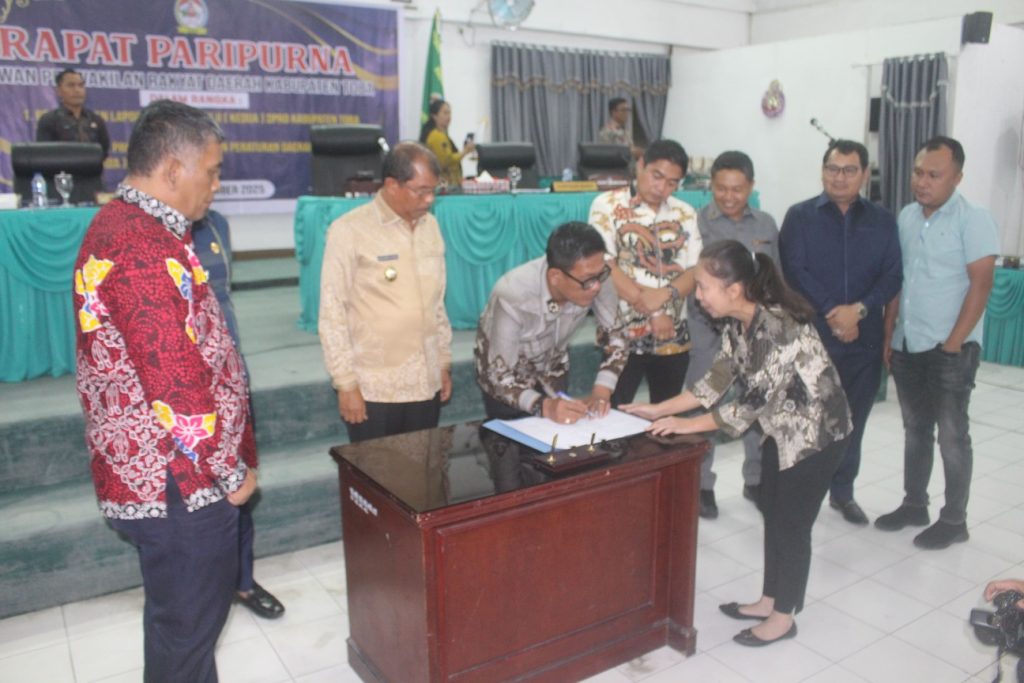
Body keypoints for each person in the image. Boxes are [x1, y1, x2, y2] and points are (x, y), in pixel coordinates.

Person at [73, 99, 257, 682]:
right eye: (213, 171)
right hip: (180, 481)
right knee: (188, 636)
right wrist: (230, 471)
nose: (216, 185)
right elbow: (175, 384)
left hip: (173, 476)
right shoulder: (139, 247)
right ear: (174, 170)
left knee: (180, 630)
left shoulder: (138, 228)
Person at [623, 240, 851, 647]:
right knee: (773, 513)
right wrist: (658, 409)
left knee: (792, 526)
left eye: (704, 287)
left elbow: (746, 408)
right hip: (780, 431)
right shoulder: (737, 322)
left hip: (817, 437)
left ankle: (783, 618)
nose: (698, 295)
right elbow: (714, 382)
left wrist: (683, 426)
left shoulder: (778, 327)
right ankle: (769, 600)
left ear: (733, 289)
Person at [876, 136, 1000, 549]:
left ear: (957, 177)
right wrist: (889, 333)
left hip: (951, 349)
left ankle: (954, 520)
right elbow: (899, 280)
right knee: (915, 429)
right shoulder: (906, 217)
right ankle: (915, 504)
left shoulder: (974, 219)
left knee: (952, 435)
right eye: (918, 173)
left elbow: (981, 285)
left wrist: (953, 344)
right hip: (908, 343)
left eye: (934, 175)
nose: (922, 182)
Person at [779, 139, 902, 527]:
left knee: (853, 421)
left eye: (849, 170)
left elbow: (893, 275)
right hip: (814, 337)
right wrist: (835, 312)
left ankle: (843, 492)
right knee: (809, 418)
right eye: (832, 168)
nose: (840, 177)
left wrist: (858, 311)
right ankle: (804, 493)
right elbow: (795, 271)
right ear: (822, 171)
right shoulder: (800, 216)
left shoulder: (883, 221)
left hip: (864, 340)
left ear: (864, 175)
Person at [319, 141, 453, 443]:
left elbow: (437, 303)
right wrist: (345, 383)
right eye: (421, 191)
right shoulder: (349, 230)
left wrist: (443, 362)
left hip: (425, 383)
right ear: (392, 185)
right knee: (375, 470)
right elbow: (332, 311)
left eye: (434, 190)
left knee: (423, 467)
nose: (430, 199)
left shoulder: (431, 227)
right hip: (374, 390)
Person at [192, 211, 285, 620]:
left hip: (229, 373)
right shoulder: (149, 231)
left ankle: (242, 580)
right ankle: (199, 586)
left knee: (239, 481)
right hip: (179, 386)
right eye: (210, 178)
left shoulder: (216, 223)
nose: (215, 185)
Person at [688, 151, 780, 517]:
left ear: (751, 186)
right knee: (704, 402)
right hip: (707, 328)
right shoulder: (697, 222)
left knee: (755, 403)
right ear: (710, 185)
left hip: (752, 330)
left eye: (737, 189)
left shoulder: (766, 224)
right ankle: (701, 485)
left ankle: (754, 480)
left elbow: (774, 276)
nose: (729, 196)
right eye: (721, 188)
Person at [475, 221, 629, 423]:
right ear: (555, 276)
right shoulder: (512, 295)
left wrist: (602, 391)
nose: (596, 287)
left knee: (558, 436)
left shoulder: (595, 276)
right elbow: (499, 376)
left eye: (601, 274)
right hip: (508, 382)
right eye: (588, 280)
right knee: (512, 437)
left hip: (553, 372)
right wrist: (544, 406)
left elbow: (617, 337)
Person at [587, 139, 700, 414]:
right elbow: (605, 266)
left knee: (666, 415)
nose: (661, 188)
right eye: (656, 176)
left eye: (672, 183)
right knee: (615, 414)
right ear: (640, 165)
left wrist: (665, 297)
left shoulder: (685, 213)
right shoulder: (607, 205)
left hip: (672, 334)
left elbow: (695, 270)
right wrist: (654, 311)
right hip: (621, 335)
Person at [36, 67, 111, 160]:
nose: (77, 90)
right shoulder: (49, 120)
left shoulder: (96, 120)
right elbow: (44, 153)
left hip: (92, 168)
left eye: (81, 85)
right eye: (71, 85)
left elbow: (104, 150)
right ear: (59, 91)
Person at [419, 99, 474, 187]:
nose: (449, 117)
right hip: (444, 186)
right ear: (434, 116)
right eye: (445, 113)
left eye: (449, 113)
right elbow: (446, 161)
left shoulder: (441, 134)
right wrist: (464, 151)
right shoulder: (436, 136)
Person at [597, 97, 643, 161]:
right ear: (614, 112)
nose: (626, 113)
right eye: (623, 110)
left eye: (628, 110)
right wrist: (631, 151)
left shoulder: (626, 131)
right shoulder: (606, 132)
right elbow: (606, 154)